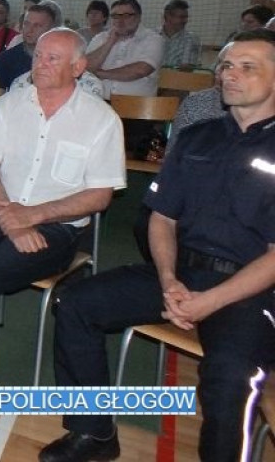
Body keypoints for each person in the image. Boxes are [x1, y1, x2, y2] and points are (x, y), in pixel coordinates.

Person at [40, 30, 275, 462]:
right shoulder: (198, 138)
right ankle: (94, 433)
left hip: (252, 290)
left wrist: (209, 302)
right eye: (226, 65)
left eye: (248, 67)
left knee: (230, 376)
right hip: (180, 272)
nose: (230, 75)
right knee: (75, 303)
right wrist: (168, 280)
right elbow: (162, 218)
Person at [0, 27, 126, 425]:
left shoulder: (102, 120)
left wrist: (32, 217)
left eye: (53, 58)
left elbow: (99, 196)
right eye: (38, 56)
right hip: (1, 210)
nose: (40, 64)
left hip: (58, 227)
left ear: (79, 67)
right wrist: (12, 219)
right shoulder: (10, 105)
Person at [85, 0, 165, 97]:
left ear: (138, 17)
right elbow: (86, 67)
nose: (120, 20)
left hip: (136, 104)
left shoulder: (153, 39)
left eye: (126, 16)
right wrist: (110, 42)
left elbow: (141, 70)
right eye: (115, 16)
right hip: (98, 101)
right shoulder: (101, 38)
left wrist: (100, 73)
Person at [0, 3, 57, 92]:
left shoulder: (60, 61)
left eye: (37, 25)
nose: (30, 30)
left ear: (51, 30)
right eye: (26, 24)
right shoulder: (5, 59)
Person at [158, 0, 201, 69]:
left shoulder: (191, 39)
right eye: (181, 17)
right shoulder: (152, 35)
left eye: (186, 17)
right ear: (168, 16)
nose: (185, 20)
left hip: (176, 76)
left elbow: (187, 68)